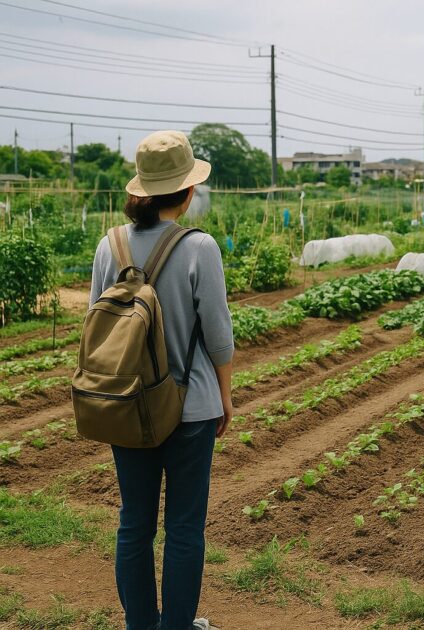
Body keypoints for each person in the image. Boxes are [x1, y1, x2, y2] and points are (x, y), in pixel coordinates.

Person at [89, 130, 234, 630]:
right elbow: (218, 336)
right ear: (188, 191)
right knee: (185, 528)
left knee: (134, 523)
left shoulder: (110, 246)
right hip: (190, 407)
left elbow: (96, 324)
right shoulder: (200, 247)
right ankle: (177, 626)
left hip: (127, 404)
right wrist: (225, 395)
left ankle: (140, 625)